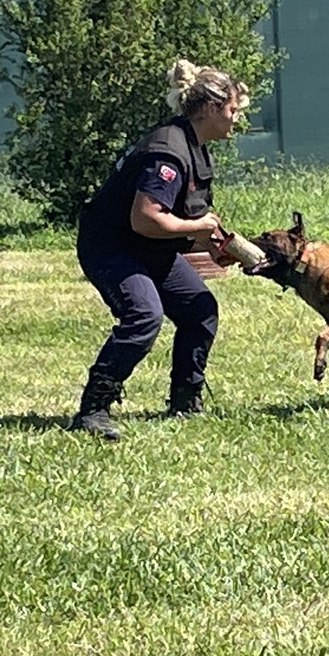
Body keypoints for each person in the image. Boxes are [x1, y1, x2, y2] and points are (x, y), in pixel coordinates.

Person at [70, 59, 249, 439]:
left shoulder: (195, 146)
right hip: (113, 248)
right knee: (143, 316)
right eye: (233, 110)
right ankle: (92, 410)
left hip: (149, 248)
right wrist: (198, 228)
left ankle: (186, 401)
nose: (236, 119)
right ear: (213, 107)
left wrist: (215, 244)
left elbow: (184, 216)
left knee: (199, 309)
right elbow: (146, 219)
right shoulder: (167, 152)